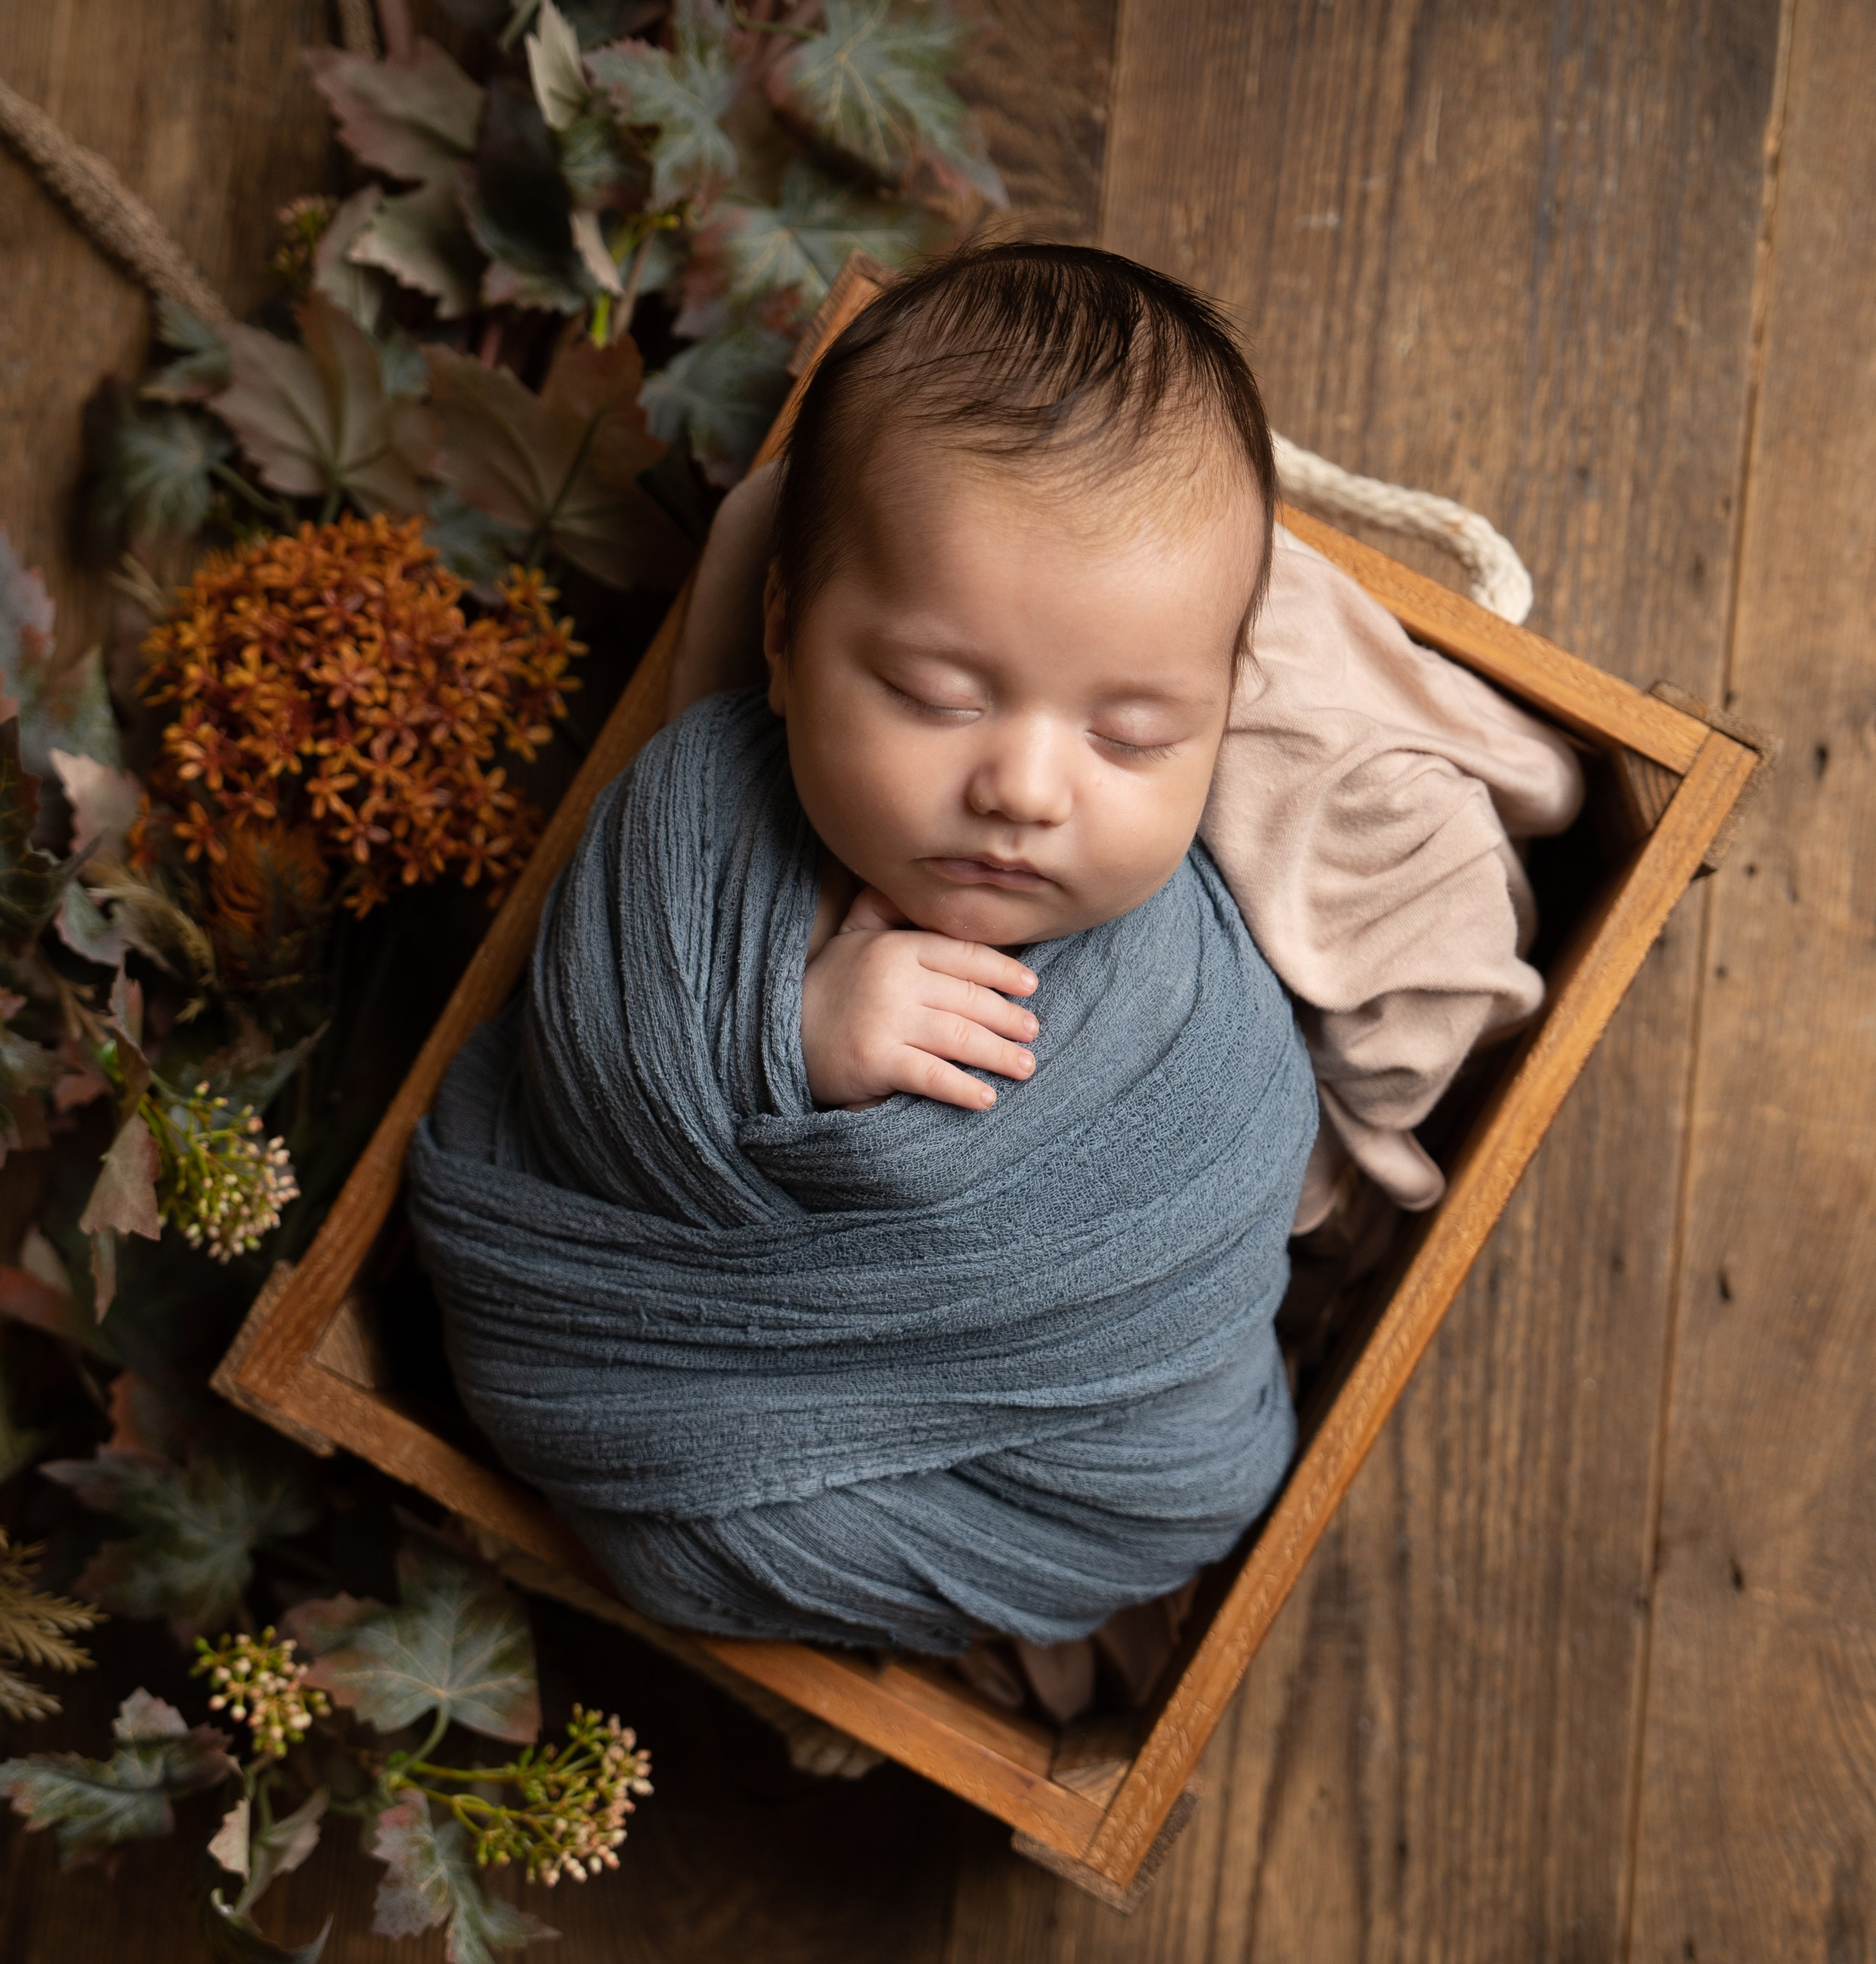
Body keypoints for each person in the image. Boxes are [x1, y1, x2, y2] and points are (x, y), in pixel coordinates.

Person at [407, 244, 1572, 1678]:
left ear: (1223, 716)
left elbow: (1240, 1159)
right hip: (640, 1381)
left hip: (1065, 1440)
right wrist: (786, 1037)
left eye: (1135, 736)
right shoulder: (695, 816)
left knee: (1197, 1481)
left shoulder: (1186, 982)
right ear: (781, 636)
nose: (1026, 786)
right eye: (932, 696)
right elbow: (584, 1070)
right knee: (638, 1500)